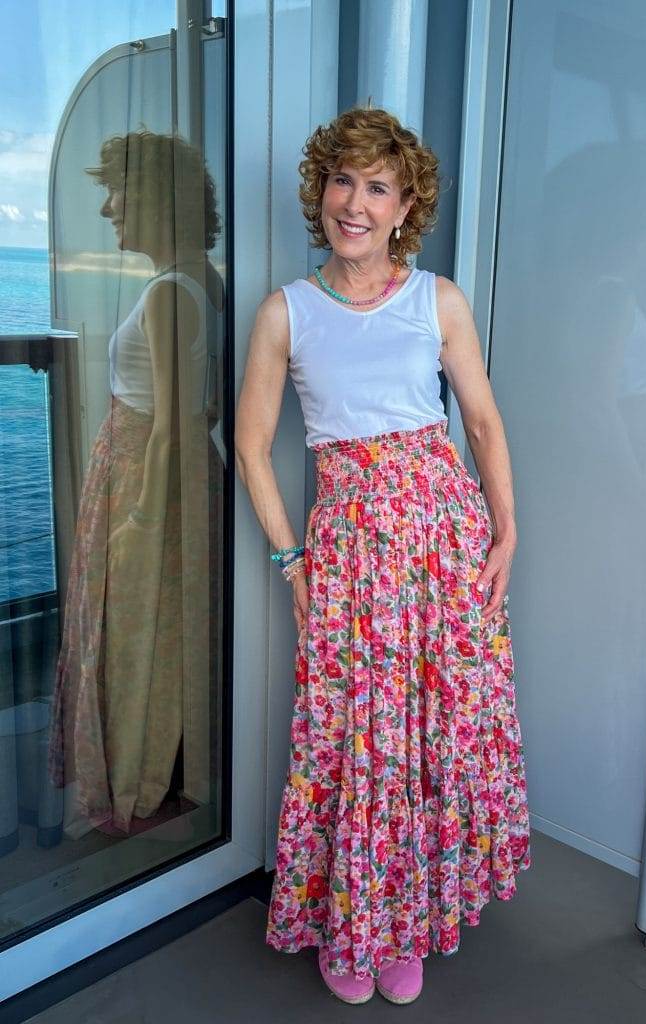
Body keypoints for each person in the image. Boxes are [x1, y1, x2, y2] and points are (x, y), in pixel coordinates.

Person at [235, 106, 531, 1005]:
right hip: (352, 555)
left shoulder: (435, 299)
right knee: (357, 739)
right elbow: (251, 447)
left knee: (437, 730)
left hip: (445, 543)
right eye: (341, 181)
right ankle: (354, 925)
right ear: (319, 191)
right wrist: (293, 562)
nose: (353, 204)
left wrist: (506, 529)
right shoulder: (286, 312)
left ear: (404, 207)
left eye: (377, 187)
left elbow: (479, 422)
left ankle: (411, 918)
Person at [47, 128, 224, 838]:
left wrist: (144, 516)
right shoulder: (202, 279)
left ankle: (141, 786)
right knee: (163, 632)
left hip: (149, 483)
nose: (109, 210)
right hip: (161, 477)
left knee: (129, 630)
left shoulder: (168, 292)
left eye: (117, 192)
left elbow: (177, 423)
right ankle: (164, 775)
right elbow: (202, 404)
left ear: (154, 197)